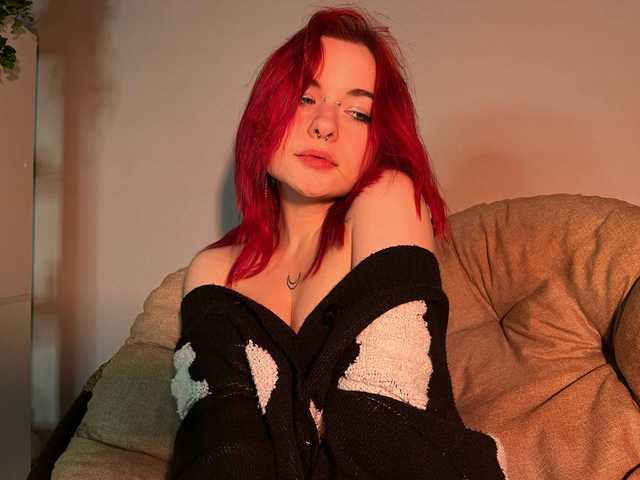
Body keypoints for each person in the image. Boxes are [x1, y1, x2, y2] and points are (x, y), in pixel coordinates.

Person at [169, 6, 507, 479]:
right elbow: (221, 449)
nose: (325, 125)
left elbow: (383, 423)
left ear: (377, 141)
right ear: (264, 116)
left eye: (358, 113)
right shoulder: (213, 270)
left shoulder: (388, 198)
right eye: (305, 99)